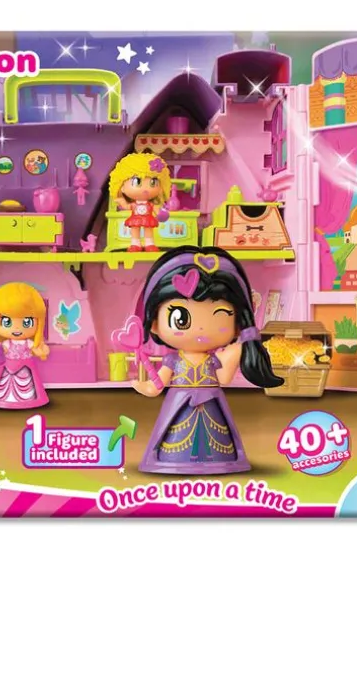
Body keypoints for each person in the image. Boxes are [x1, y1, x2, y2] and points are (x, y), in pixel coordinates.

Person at [132, 246, 283, 474]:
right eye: (181, 318)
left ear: (238, 325)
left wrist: (233, 355)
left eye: (219, 317)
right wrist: (148, 387)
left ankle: (217, 460)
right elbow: (159, 383)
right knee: (174, 432)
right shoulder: (173, 360)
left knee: (216, 433)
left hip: (211, 399)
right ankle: (173, 460)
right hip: (179, 401)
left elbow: (223, 378)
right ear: (154, 323)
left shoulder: (213, 359)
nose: (201, 329)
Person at [0, 282, 50, 409]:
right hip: (9, 368)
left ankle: (28, 398)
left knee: (28, 385)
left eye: (27, 322)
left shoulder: (28, 343)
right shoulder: (7, 343)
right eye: (7, 322)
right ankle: (7, 398)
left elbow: (38, 350)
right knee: (5, 384)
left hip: (26, 369)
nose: (17, 328)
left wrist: (42, 350)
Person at [109, 152, 171, 252]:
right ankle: (135, 244)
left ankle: (149, 244)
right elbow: (127, 206)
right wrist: (121, 201)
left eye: (153, 182)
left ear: (161, 187)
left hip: (148, 218)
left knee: (148, 229)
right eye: (137, 182)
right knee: (135, 229)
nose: (145, 189)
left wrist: (161, 213)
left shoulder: (150, 205)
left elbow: (157, 210)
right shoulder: (134, 205)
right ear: (122, 187)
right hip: (135, 218)